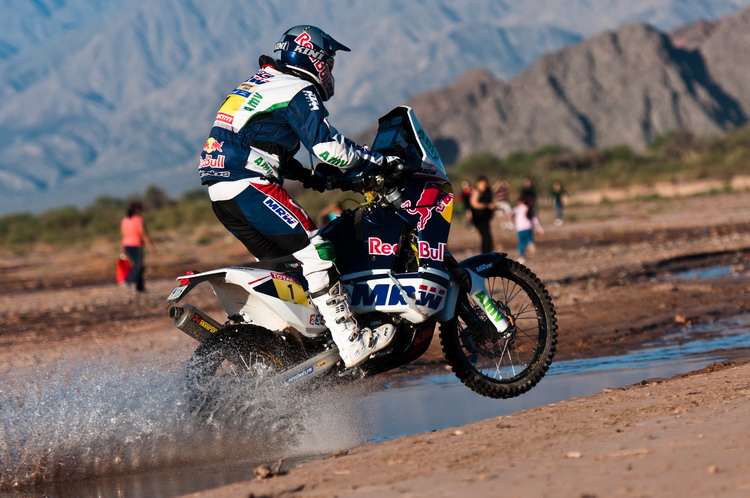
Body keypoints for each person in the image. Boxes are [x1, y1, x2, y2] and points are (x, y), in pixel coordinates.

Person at [197, 25, 398, 368]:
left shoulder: (258, 82)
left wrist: (309, 177)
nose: (330, 71)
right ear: (314, 59)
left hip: (222, 194)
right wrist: (375, 159)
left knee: (289, 271)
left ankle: (293, 350)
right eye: (329, 62)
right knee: (318, 253)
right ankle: (352, 343)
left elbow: (260, 140)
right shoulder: (298, 89)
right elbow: (327, 147)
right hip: (249, 185)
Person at [120, 201, 156, 293]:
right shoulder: (139, 220)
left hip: (127, 245)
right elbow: (144, 234)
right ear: (137, 210)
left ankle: (140, 288)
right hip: (137, 245)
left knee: (138, 266)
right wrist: (150, 246)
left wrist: (123, 248)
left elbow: (124, 235)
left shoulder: (125, 220)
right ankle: (127, 281)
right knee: (138, 266)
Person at [512, 192, 544, 264]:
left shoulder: (519, 208)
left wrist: (502, 209)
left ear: (520, 202)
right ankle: (530, 243)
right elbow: (535, 220)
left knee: (521, 243)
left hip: (520, 229)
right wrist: (540, 229)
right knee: (529, 239)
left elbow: (510, 212)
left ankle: (522, 257)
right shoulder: (529, 209)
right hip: (529, 228)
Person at [470, 176, 495, 253]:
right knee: (486, 236)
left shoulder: (488, 192)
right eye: (482, 184)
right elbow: (474, 204)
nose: (484, 186)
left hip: (485, 218)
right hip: (479, 218)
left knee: (487, 236)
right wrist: (487, 205)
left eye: (485, 184)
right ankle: (485, 253)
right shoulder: (476, 192)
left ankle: (487, 252)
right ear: (478, 184)